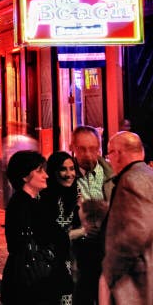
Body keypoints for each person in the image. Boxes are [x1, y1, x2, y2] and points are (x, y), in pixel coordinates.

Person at [0, 150, 64, 304]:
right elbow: (23, 243)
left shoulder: (25, 202)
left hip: (26, 277)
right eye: (39, 171)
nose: (46, 175)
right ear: (25, 176)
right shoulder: (24, 205)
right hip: (31, 281)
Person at [100, 131, 153, 304]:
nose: (109, 160)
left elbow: (134, 234)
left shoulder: (131, 179)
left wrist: (109, 273)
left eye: (109, 154)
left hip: (136, 282)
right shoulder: (148, 174)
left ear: (118, 153)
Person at [70, 125, 113, 305]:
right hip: (77, 251)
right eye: (82, 149)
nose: (88, 155)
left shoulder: (112, 174)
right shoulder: (63, 175)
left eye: (93, 149)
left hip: (106, 250)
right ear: (73, 147)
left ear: (100, 148)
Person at [39, 151, 79, 305]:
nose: (69, 174)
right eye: (63, 169)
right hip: (51, 267)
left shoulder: (77, 196)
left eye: (72, 168)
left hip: (74, 265)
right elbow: (50, 235)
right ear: (53, 172)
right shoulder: (44, 198)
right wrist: (80, 231)